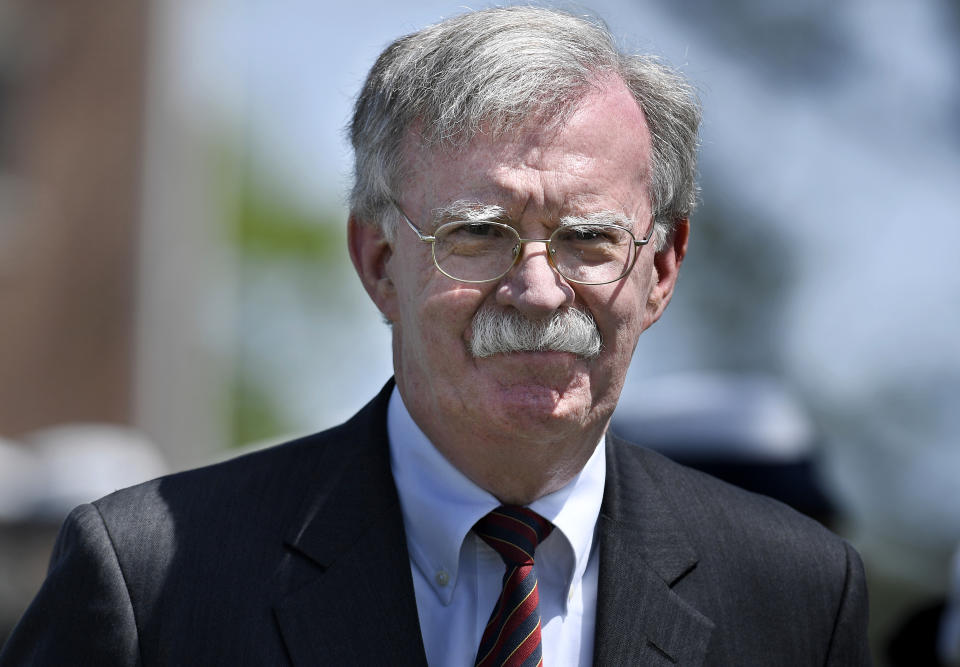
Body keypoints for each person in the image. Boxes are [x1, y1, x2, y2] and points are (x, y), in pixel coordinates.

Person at [0, 7, 870, 665]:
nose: (537, 289)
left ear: (662, 268)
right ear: (378, 260)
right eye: (478, 234)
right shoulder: (155, 579)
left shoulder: (795, 594)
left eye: (590, 238)